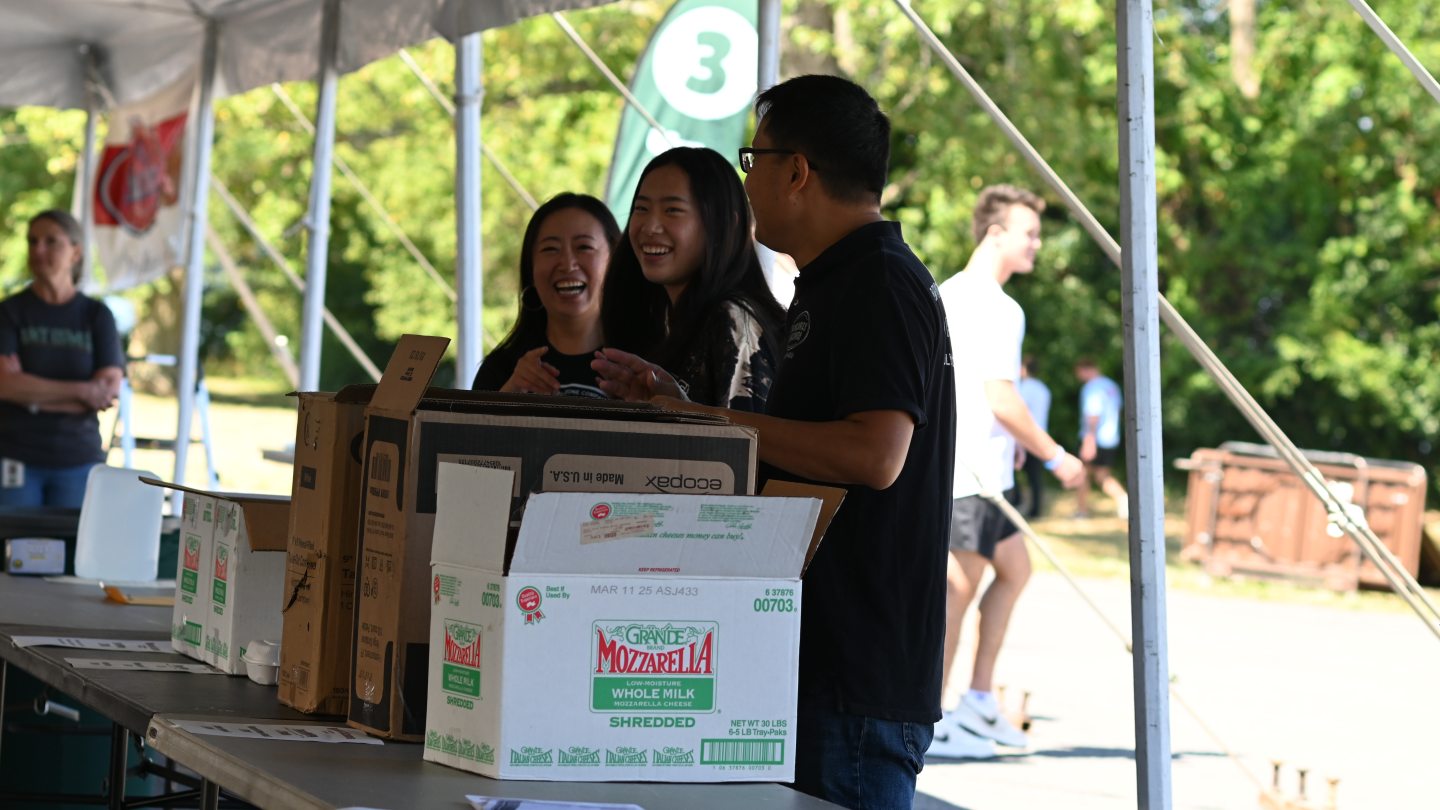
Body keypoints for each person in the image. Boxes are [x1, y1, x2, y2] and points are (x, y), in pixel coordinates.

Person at [596, 75, 953, 810]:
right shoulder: (830, 284)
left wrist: (719, 423)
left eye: (753, 160)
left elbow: (876, 455)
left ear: (797, 170)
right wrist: (685, 406)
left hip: (857, 673)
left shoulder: (880, 282)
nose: (747, 180)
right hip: (813, 656)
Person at [930, 185, 1084, 758]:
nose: (1037, 244)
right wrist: (1055, 455)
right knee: (956, 592)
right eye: (1030, 233)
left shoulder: (948, 292)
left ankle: (976, 701)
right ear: (995, 233)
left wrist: (1013, 445)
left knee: (1016, 571)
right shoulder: (996, 305)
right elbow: (1001, 398)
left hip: (983, 469)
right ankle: (935, 715)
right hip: (968, 476)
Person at [597, 146, 784, 411]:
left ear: (726, 225)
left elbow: (748, 443)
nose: (650, 227)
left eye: (672, 210)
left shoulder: (733, 318)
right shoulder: (666, 322)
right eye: (641, 208)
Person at [0, 210, 124, 508]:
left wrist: (29, 394)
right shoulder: (9, 312)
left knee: (76, 552)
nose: (38, 249)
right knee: (16, 552)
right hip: (16, 458)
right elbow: (4, 386)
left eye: (50, 241)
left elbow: (108, 391)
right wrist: (82, 391)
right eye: (32, 241)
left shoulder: (97, 315)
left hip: (78, 460)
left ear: (75, 252)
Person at [471, 193, 620, 397]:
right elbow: (474, 430)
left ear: (614, 259)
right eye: (550, 249)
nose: (567, 264)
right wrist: (509, 394)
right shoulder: (501, 370)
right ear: (530, 266)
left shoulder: (642, 368)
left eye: (584, 247)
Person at [1074, 358, 1128, 518]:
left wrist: (1089, 440)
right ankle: (1122, 498)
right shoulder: (1111, 386)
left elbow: (1093, 415)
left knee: (1082, 474)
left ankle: (1082, 511)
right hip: (1111, 438)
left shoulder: (1092, 388)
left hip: (1095, 438)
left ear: (1085, 369)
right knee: (1102, 476)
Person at [1015, 357, 1052, 518]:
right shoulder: (1043, 388)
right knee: (1035, 476)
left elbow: (1018, 412)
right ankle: (1035, 510)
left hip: (1026, 436)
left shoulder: (1023, 388)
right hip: (1041, 435)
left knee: (1013, 472)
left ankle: (1016, 502)